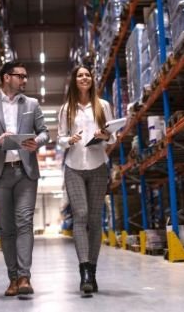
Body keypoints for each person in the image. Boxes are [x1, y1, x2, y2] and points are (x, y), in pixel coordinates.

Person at [0, 61, 49, 297]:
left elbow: (45, 132)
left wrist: (38, 141)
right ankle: (12, 278)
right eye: (20, 76)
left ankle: (25, 277)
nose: (25, 80)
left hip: (25, 172)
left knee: (24, 222)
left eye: (25, 77)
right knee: (6, 228)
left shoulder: (32, 104)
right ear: (6, 77)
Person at [57, 66, 115, 295]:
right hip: (74, 167)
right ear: (74, 80)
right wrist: (69, 139)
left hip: (98, 165)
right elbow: (59, 138)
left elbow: (114, 136)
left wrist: (106, 135)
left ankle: (93, 269)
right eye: (80, 75)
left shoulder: (103, 106)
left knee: (94, 218)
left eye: (88, 75)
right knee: (80, 215)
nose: (84, 78)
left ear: (92, 80)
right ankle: (84, 273)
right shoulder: (65, 109)